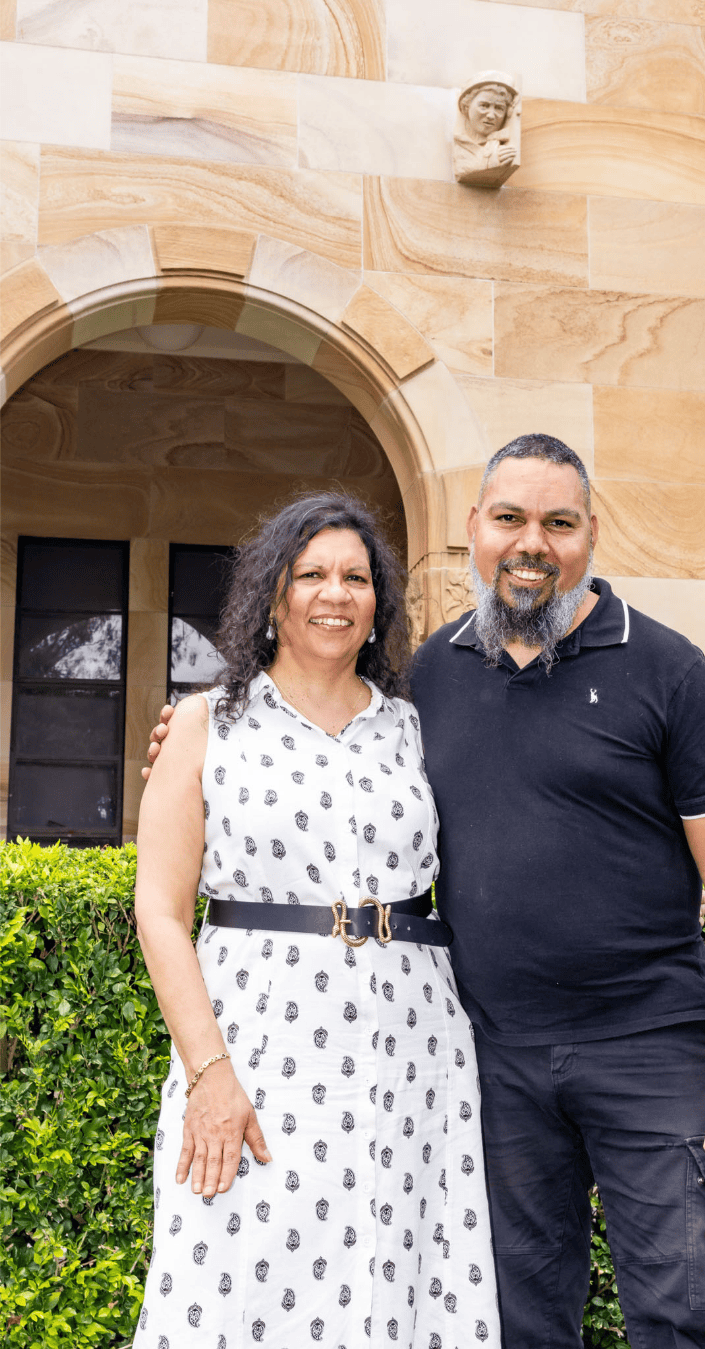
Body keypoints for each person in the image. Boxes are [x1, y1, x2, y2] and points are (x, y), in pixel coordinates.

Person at [147, 438, 705, 1348]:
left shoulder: (667, 668)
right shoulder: (429, 679)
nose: (533, 543)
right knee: (516, 1318)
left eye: (558, 522)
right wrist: (189, 743)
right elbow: (282, 784)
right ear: (473, 531)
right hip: (492, 1060)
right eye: (510, 519)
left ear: (591, 534)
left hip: (651, 1050)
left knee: (684, 1307)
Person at [133, 493, 500, 1349]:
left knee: (396, 1277)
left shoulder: (416, 729)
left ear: (379, 604)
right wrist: (208, 1074)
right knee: (233, 1273)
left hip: (412, 1057)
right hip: (256, 1054)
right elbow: (159, 910)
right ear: (272, 597)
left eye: (356, 577)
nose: (334, 594)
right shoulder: (204, 723)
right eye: (311, 575)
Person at [452, 76, 518, 185]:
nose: (491, 115)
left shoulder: (498, 145)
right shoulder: (461, 143)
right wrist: (490, 161)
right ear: (466, 107)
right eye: (484, 106)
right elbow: (463, 169)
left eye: (499, 108)